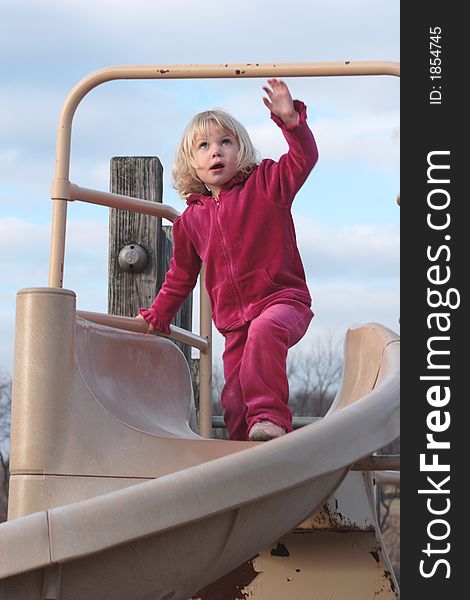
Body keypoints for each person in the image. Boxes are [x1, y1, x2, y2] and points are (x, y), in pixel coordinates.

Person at [138, 78, 319, 442]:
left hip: (283, 302)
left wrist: (291, 123)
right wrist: (159, 315)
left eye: (225, 142)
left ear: (241, 150)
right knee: (234, 397)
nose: (215, 151)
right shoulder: (190, 221)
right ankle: (240, 458)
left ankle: (270, 420)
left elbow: (303, 160)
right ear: (192, 162)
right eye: (204, 146)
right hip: (234, 324)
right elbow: (180, 276)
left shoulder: (267, 185)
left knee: (265, 335)